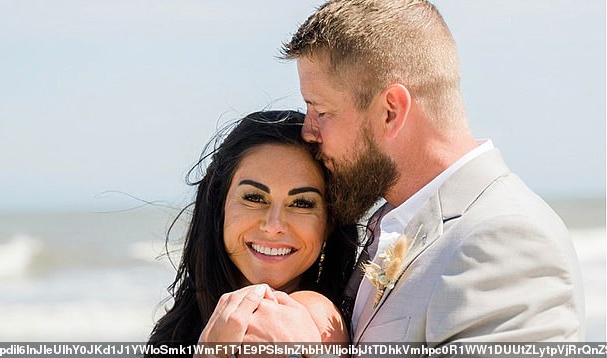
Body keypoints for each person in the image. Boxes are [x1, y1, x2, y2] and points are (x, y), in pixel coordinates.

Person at [239, 0, 585, 344]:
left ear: (390, 111)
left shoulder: (505, 240)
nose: (308, 132)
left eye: (321, 111)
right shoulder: (394, 222)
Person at [145, 110, 359, 354]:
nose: (273, 225)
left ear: (329, 222)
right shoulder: (179, 331)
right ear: (219, 206)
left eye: (302, 203)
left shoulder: (311, 317)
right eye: (254, 198)